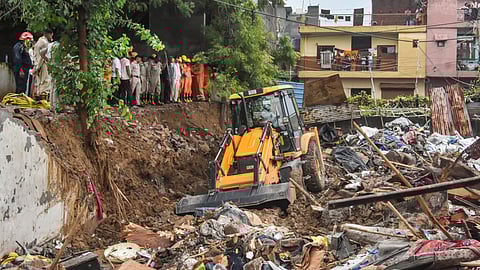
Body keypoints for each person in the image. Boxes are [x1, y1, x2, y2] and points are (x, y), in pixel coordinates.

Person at [32, 29, 53, 98]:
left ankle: (41, 97)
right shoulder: (44, 42)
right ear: (47, 34)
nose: (51, 37)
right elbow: (42, 56)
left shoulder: (40, 41)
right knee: (45, 82)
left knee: (41, 82)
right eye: (51, 35)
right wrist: (38, 66)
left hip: (39, 64)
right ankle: (43, 99)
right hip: (43, 64)